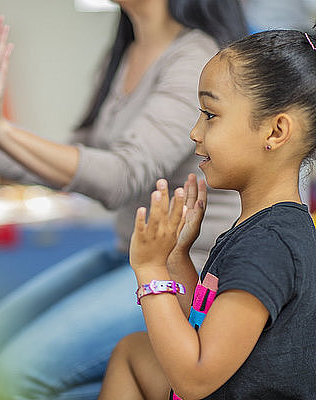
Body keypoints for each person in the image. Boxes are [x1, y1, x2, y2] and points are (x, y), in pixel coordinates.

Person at [0, 1, 247, 399]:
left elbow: (120, 178)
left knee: (20, 374)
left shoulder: (196, 58)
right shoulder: (126, 51)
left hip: (185, 265)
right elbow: (71, 162)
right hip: (129, 251)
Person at [100, 29, 316, 399]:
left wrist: (150, 271)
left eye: (210, 114)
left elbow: (195, 380)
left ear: (276, 131)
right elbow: (203, 323)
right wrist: (175, 258)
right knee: (131, 352)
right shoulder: (264, 226)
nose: (194, 132)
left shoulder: (268, 246)